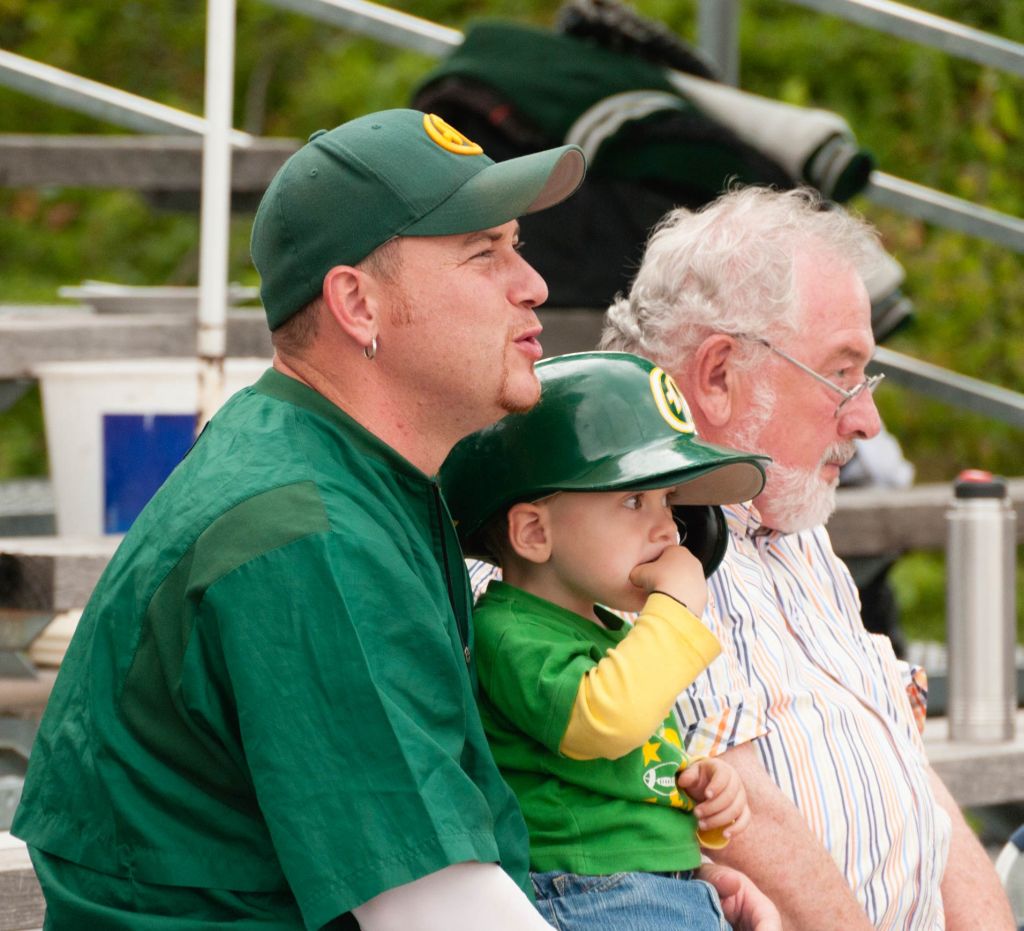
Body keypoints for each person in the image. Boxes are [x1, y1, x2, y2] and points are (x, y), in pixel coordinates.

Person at [12, 108, 589, 929]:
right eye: (482, 252)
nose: (532, 283)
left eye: (517, 245)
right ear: (357, 303)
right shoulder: (305, 531)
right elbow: (439, 911)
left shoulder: (331, 464)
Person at [598, 185, 1015, 930]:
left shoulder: (788, 520)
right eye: (842, 374)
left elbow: (909, 773)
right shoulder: (630, 537)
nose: (868, 419)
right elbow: (742, 820)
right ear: (719, 375)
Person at [441, 351, 777, 931]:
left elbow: (627, 760)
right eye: (633, 500)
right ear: (534, 532)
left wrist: (697, 786)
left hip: (655, 887)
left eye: (668, 502)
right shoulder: (507, 631)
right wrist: (677, 609)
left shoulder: (608, 629)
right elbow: (604, 720)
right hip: (591, 896)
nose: (668, 529)